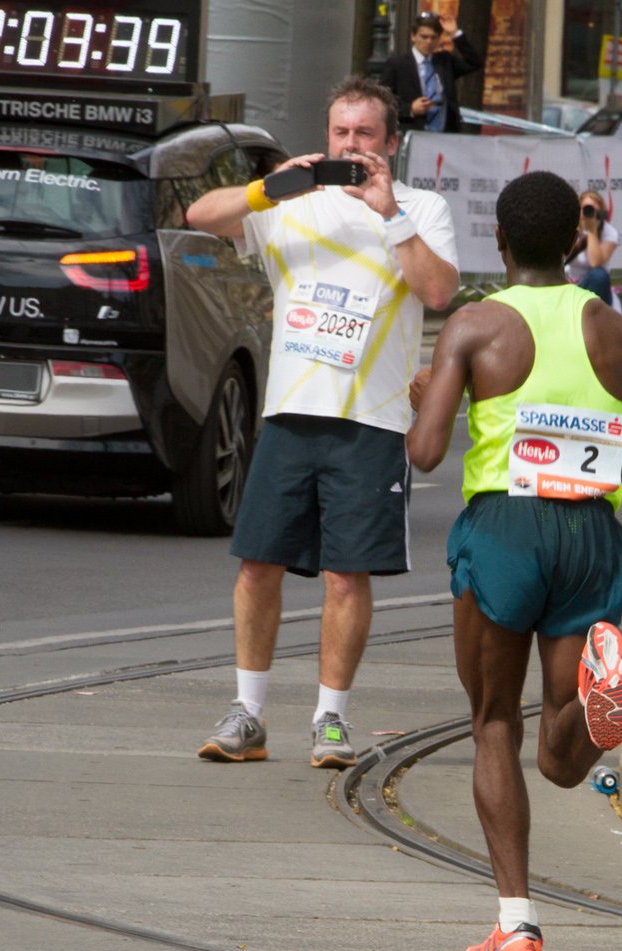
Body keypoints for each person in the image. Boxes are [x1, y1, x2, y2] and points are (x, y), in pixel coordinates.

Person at [407, 170, 622, 951]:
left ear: (498, 242)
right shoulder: (612, 328)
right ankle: (595, 694)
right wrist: (600, 460)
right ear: (578, 238)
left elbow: (426, 452)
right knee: (561, 755)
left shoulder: (474, 326)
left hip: (504, 530)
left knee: (494, 722)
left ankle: (517, 926)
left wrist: (431, 391)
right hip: (589, 532)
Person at [184, 76, 459, 768]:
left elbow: (439, 290)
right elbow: (200, 215)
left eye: (365, 135)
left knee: (345, 577)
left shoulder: (421, 207)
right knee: (257, 567)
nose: (350, 146)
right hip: (287, 413)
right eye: (341, 134)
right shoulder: (291, 202)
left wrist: (387, 210)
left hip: (369, 422)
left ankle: (330, 719)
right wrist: (268, 189)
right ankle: (248, 713)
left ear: (391, 143)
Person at [379, 14, 484, 134]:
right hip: (413, 133)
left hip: (445, 134)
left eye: (434, 37)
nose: (428, 42)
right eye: (424, 37)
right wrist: (410, 109)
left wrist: (455, 34)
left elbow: (474, 62)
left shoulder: (444, 61)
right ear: (413, 36)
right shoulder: (397, 64)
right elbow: (382, 101)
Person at [565, 189, 618, 306]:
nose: (588, 213)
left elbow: (595, 262)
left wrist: (591, 231)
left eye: (592, 210)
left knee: (599, 275)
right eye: (585, 209)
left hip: (591, 285)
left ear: (600, 212)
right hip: (568, 283)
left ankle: (598, 318)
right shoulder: (569, 228)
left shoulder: (609, 232)